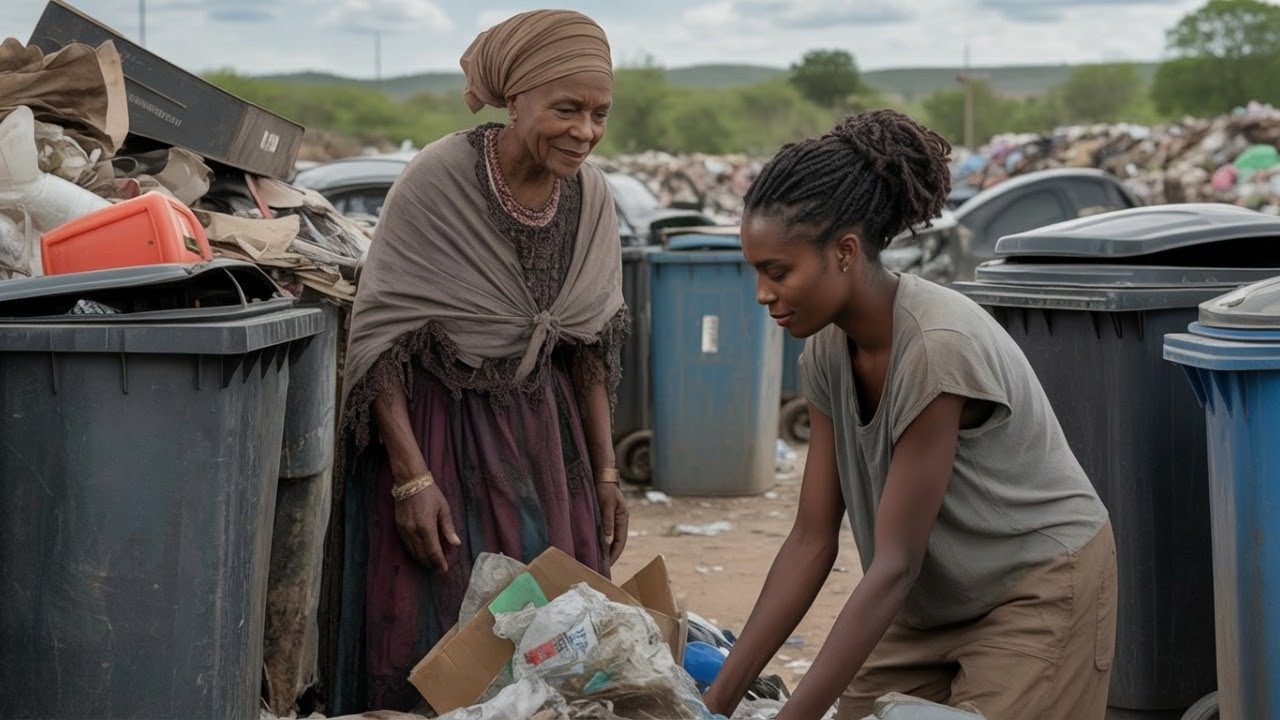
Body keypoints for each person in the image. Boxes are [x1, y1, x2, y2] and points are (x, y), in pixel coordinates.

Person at [703, 110, 1117, 720]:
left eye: (778, 272)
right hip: (928, 605)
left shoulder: (935, 348)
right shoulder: (824, 349)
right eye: (757, 272)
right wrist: (713, 702)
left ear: (844, 252)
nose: (763, 293)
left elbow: (894, 562)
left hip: (1032, 588)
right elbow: (811, 540)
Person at [334, 10, 629, 711]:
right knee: (446, 631)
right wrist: (411, 481)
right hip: (444, 440)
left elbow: (587, 350)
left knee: (553, 631)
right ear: (516, 98)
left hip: (547, 451)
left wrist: (609, 474)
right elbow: (383, 340)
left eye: (599, 113)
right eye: (567, 108)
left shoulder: (590, 198)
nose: (585, 131)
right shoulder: (438, 179)